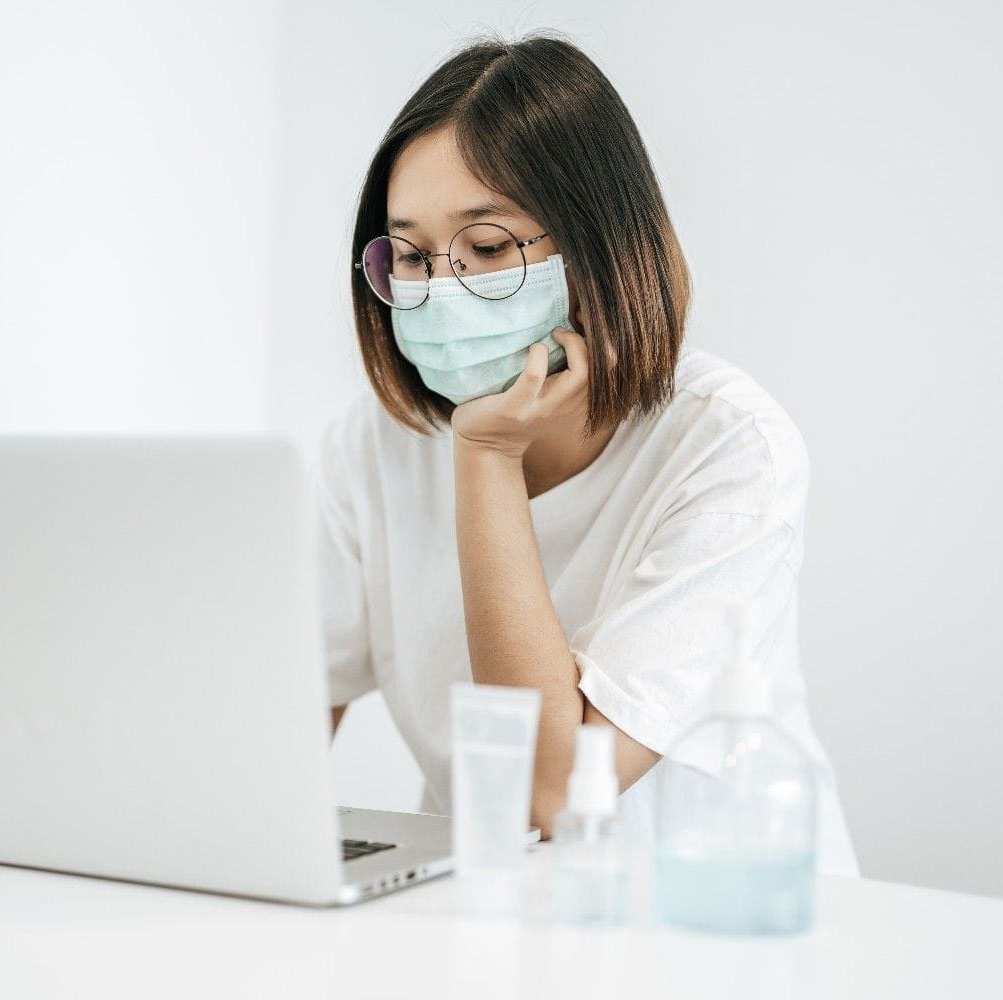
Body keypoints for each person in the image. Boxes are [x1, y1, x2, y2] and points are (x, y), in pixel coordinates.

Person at [314, 31, 859, 876]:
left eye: (488, 248)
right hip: (487, 915)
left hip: (714, 924)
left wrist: (488, 455)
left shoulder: (729, 447)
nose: (439, 292)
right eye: (412, 256)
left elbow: (553, 795)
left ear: (600, 245)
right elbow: (282, 725)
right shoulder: (374, 444)